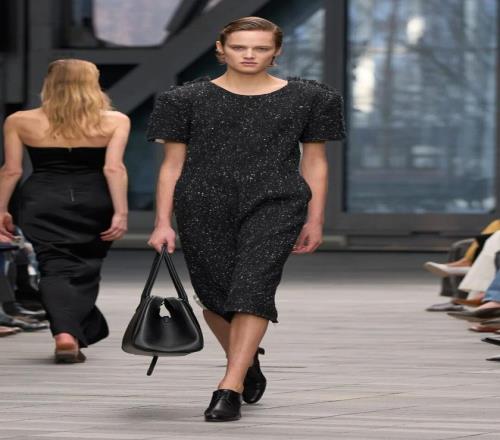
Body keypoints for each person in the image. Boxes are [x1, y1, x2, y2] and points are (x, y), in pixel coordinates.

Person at [147, 17, 345, 422]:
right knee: (215, 298)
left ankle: (229, 386)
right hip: (202, 204)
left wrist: (315, 219)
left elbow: (316, 162)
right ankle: (248, 360)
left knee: (253, 288)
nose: (250, 55)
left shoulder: (311, 97)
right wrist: (162, 221)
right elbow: (171, 166)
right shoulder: (183, 99)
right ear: (221, 49)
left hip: (277, 202)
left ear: (277, 51)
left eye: (260, 48)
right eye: (240, 47)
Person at [0, 59, 130, 363]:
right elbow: (113, 168)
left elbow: (11, 170)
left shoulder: (19, 121)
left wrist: (1, 208)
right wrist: (121, 212)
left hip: (42, 199)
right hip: (94, 198)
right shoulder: (115, 120)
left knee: (53, 266)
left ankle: (65, 334)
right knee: (87, 266)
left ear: (49, 83)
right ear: (92, 83)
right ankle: (68, 332)